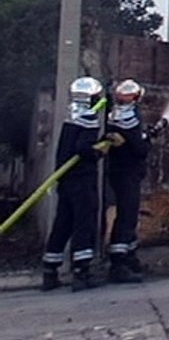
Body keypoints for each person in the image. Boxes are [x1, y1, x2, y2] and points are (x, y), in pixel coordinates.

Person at [40, 76, 119, 292]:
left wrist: (103, 139)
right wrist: (99, 151)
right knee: (84, 224)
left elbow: (73, 145)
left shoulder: (71, 116)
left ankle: (50, 270)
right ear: (91, 98)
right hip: (82, 180)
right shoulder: (89, 117)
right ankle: (81, 272)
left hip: (65, 179)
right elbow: (84, 148)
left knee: (62, 223)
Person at [105, 78, 152, 283]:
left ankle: (130, 257)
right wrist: (148, 139)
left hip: (118, 171)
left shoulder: (113, 114)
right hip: (128, 173)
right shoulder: (129, 117)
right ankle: (119, 264)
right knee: (126, 217)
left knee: (128, 214)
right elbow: (139, 149)